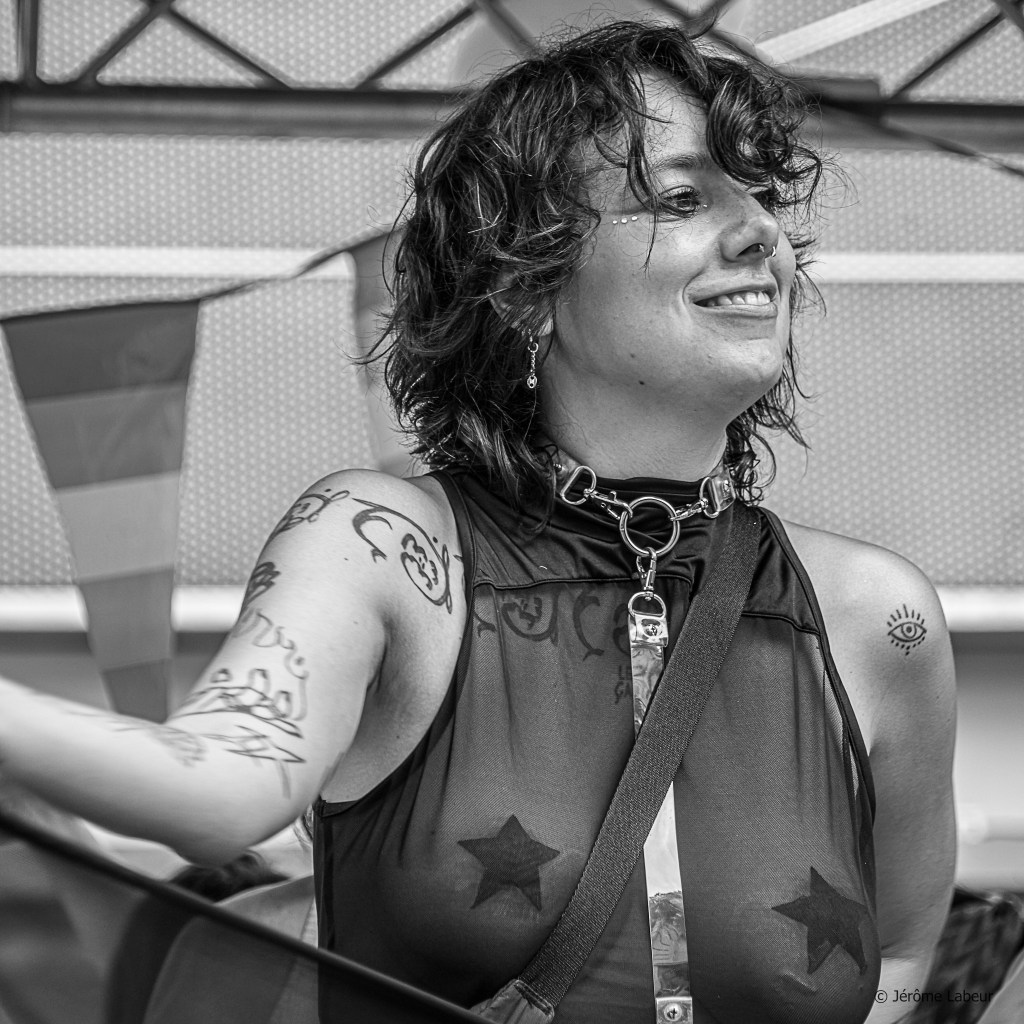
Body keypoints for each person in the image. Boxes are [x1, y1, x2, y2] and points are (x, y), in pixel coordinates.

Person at [0, 19, 956, 1024]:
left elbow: (901, 952)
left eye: (760, 191)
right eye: (680, 197)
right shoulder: (380, 542)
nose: (761, 230)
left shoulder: (879, 618)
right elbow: (221, 790)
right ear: (525, 286)